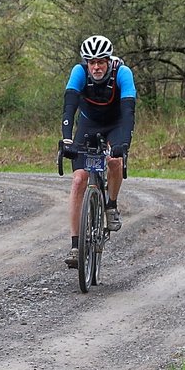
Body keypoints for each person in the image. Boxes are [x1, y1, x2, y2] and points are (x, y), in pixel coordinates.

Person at [60, 34, 135, 268]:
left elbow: (128, 113)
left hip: (115, 125)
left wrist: (123, 144)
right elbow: (69, 106)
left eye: (100, 61)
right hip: (88, 125)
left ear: (109, 61)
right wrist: (67, 139)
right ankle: (75, 246)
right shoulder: (79, 72)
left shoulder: (123, 73)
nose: (96, 66)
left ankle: (111, 205)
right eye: (91, 62)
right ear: (86, 63)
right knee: (78, 180)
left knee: (114, 161)